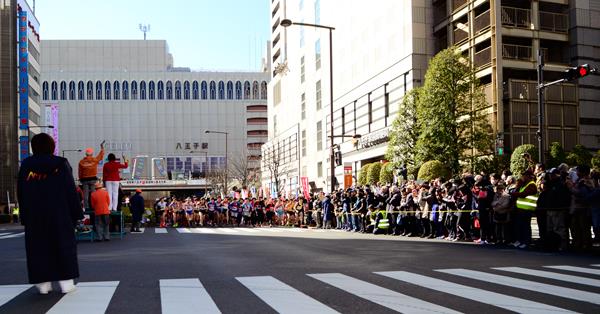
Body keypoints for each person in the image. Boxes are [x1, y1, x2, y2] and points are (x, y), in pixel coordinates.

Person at [17, 133, 83, 294]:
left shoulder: (26, 165)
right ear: (51, 146)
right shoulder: (60, 163)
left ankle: (43, 284)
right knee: (63, 246)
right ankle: (66, 282)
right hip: (60, 214)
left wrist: (24, 216)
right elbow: (70, 191)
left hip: (35, 216)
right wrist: (76, 214)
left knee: (38, 249)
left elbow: (21, 193)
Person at [78, 142, 104, 209]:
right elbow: (100, 156)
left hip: (84, 180)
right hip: (93, 179)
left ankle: (86, 207)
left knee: (85, 195)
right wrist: (102, 148)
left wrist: (80, 178)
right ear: (92, 154)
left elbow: (80, 171)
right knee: (93, 194)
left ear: (86, 154)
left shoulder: (81, 162)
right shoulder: (94, 160)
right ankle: (94, 206)